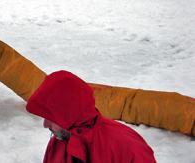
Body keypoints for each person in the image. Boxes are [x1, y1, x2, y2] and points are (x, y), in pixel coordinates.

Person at [26, 70, 156, 163]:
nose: (45, 124)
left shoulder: (126, 147)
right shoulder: (58, 143)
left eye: (51, 117)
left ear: (69, 113)